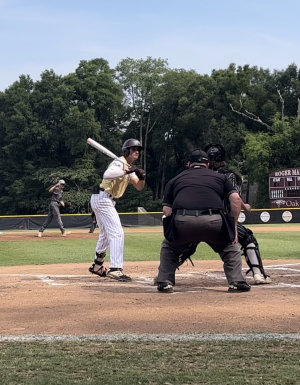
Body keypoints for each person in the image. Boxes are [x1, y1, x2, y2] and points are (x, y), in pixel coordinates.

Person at [156, 148, 251, 293]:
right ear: (207, 164)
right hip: (214, 222)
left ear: (189, 164)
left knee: (169, 246)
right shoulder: (220, 178)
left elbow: (166, 210)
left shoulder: (175, 179)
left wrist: (173, 232)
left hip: (183, 221)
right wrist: (233, 227)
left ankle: (164, 281)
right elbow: (236, 199)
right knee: (230, 247)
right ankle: (236, 281)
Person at [204, 143, 271, 285]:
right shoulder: (230, 176)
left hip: (197, 218)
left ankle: (164, 274)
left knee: (185, 241)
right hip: (222, 222)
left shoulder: (200, 176)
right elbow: (234, 198)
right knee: (248, 237)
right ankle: (258, 274)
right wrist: (244, 207)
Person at [88, 139, 146, 282]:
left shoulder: (128, 166)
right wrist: (127, 170)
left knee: (106, 234)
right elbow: (107, 175)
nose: (137, 151)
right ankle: (115, 269)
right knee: (117, 232)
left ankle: (97, 265)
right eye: (133, 149)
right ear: (126, 151)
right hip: (103, 198)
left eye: (138, 149)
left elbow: (139, 187)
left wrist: (142, 176)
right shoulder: (118, 163)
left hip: (104, 199)